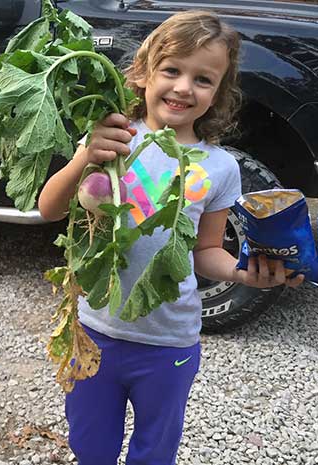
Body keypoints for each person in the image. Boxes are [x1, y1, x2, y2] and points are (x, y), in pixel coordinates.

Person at [37, 10, 305, 465]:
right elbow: (50, 208)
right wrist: (85, 156)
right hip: (95, 330)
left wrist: (245, 274)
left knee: (155, 449)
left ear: (218, 93)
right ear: (143, 73)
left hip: (169, 343)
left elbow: (205, 252)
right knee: (90, 446)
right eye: (172, 70)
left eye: (203, 79)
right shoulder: (113, 135)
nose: (184, 87)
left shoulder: (219, 167)